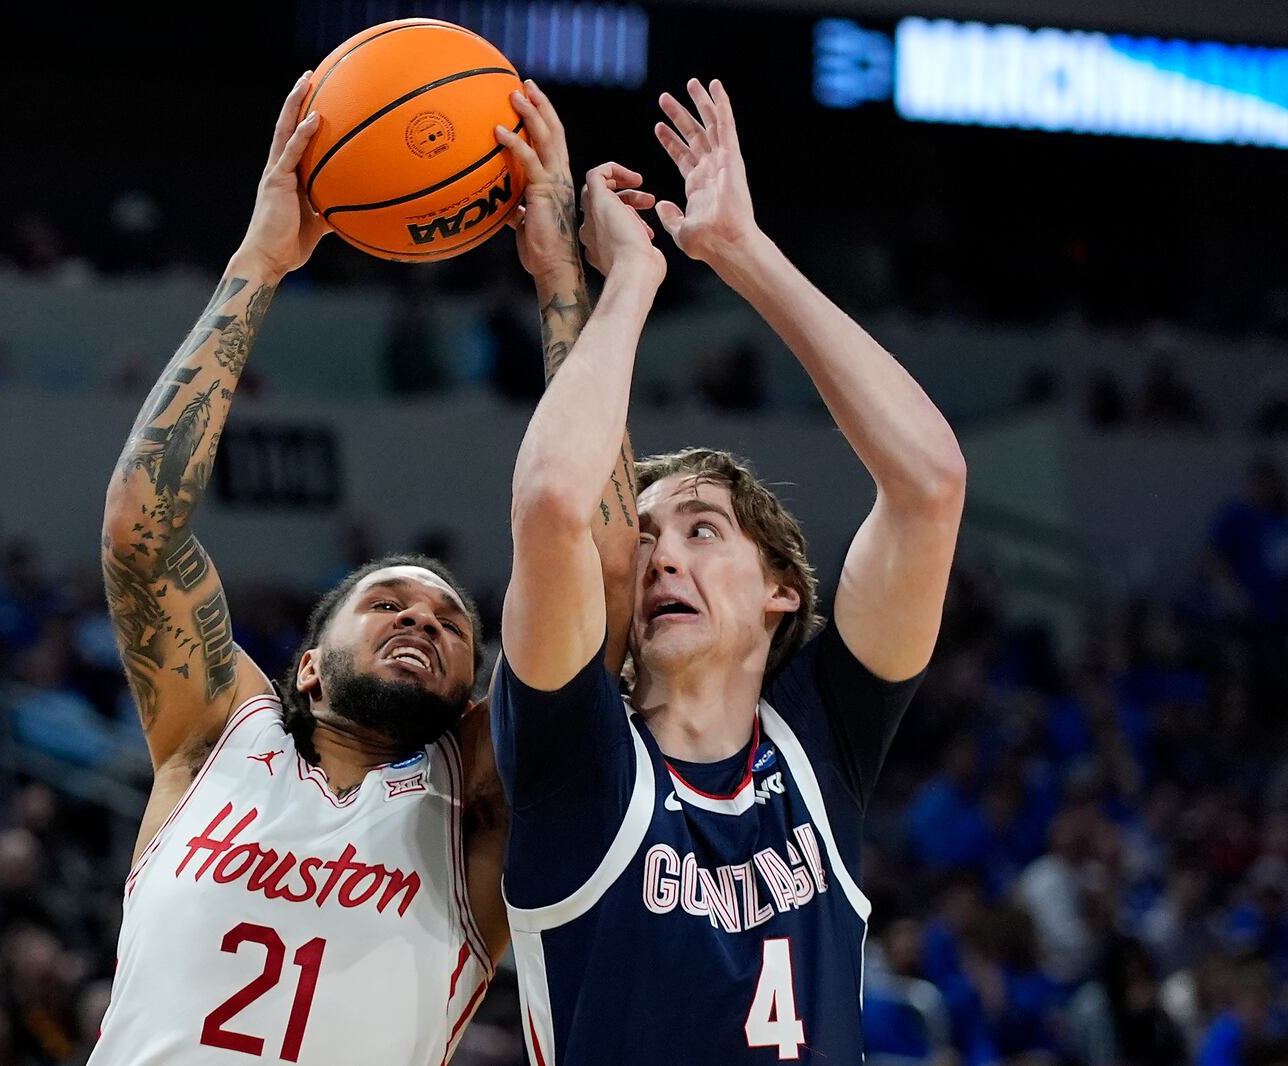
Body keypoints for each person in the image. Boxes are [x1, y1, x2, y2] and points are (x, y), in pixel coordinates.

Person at [89, 74, 632, 1065]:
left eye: (453, 624)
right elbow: (141, 532)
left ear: (476, 688)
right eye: (386, 602)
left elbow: (603, 586)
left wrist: (562, 284)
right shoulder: (217, 736)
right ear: (304, 661)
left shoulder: (475, 801)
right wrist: (262, 258)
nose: (423, 620)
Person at [492, 77, 966, 1062]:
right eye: (649, 535)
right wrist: (615, 284)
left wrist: (741, 253)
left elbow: (928, 484)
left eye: (702, 530)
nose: (662, 550)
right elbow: (554, 504)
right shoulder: (577, 759)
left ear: (780, 589)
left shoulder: (816, 742)